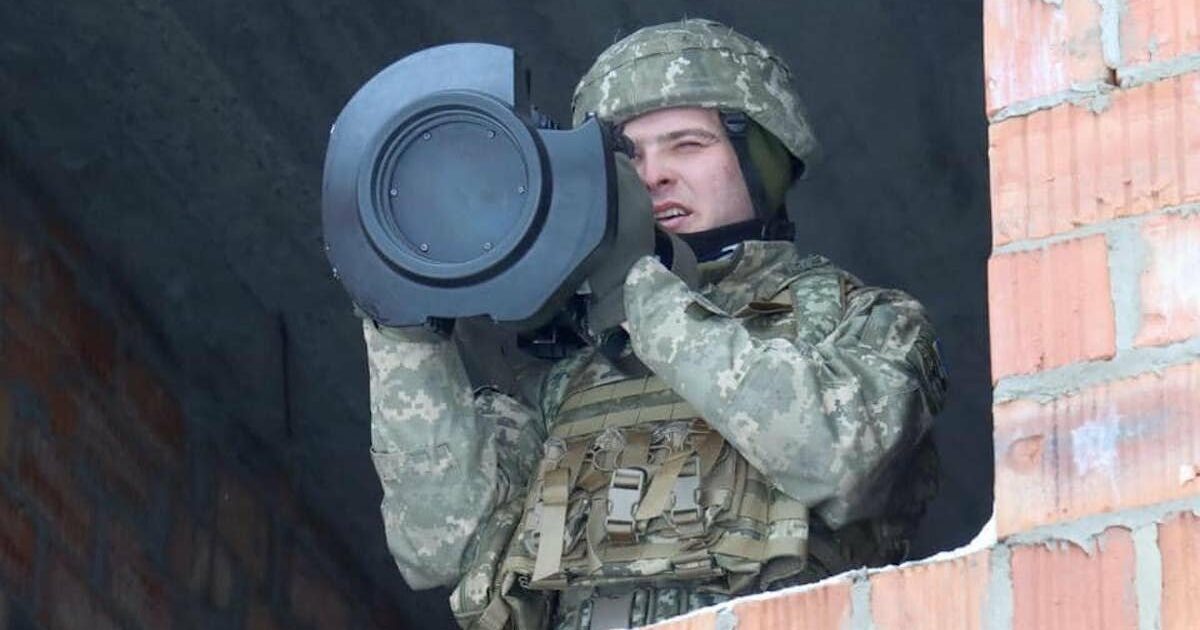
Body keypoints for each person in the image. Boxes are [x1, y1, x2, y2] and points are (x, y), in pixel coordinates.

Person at [363, 18, 947, 630]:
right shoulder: (565, 368)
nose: (653, 175)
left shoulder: (863, 319)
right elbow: (440, 546)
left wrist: (634, 290)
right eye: (626, 157)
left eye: (687, 145)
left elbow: (840, 463)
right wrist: (403, 325)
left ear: (763, 160)